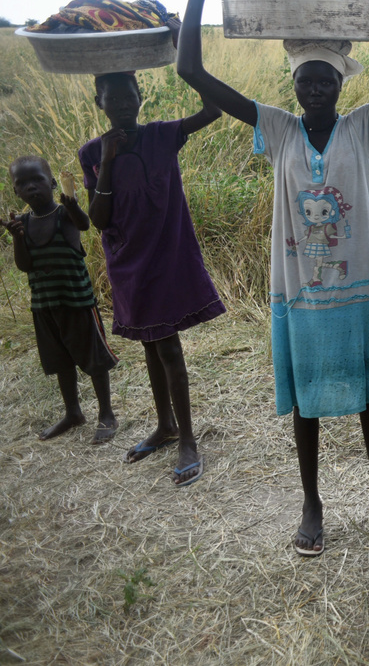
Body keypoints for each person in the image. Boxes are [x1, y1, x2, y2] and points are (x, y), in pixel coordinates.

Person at [177, 0, 369, 553]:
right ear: (292, 85)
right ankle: (312, 505)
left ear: (340, 84)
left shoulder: (363, 124)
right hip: (301, 289)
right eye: (305, 79)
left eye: (325, 79)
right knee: (308, 406)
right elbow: (191, 71)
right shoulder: (278, 128)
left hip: (361, 281)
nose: (315, 88)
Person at [79, 65, 225, 486]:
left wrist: (185, 50)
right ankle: (165, 426)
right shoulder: (92, 153)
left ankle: (188, 440)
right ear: (99, 103)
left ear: (141, 95)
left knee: (169, 350)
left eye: (130, 94)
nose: (123, 104)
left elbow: (213, 108)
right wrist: (107, 161)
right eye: (113, 97)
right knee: (150, 342)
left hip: (167, 254)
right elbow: (99, 219)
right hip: (127, 260)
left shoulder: (163, 134)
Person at [5, 157, 117, 443]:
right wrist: (17, 237)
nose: (31, 188)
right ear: (15, 192)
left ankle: (106, 414)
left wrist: (72, 204)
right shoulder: (24, 223)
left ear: (53, 183)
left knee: (93, 359)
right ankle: (73, 413)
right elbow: (24, 265)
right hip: (44, 305)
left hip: (76, 302)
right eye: (22, 184)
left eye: (38, 180)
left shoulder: (63, 214)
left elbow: (84, 225)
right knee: (61, 361)